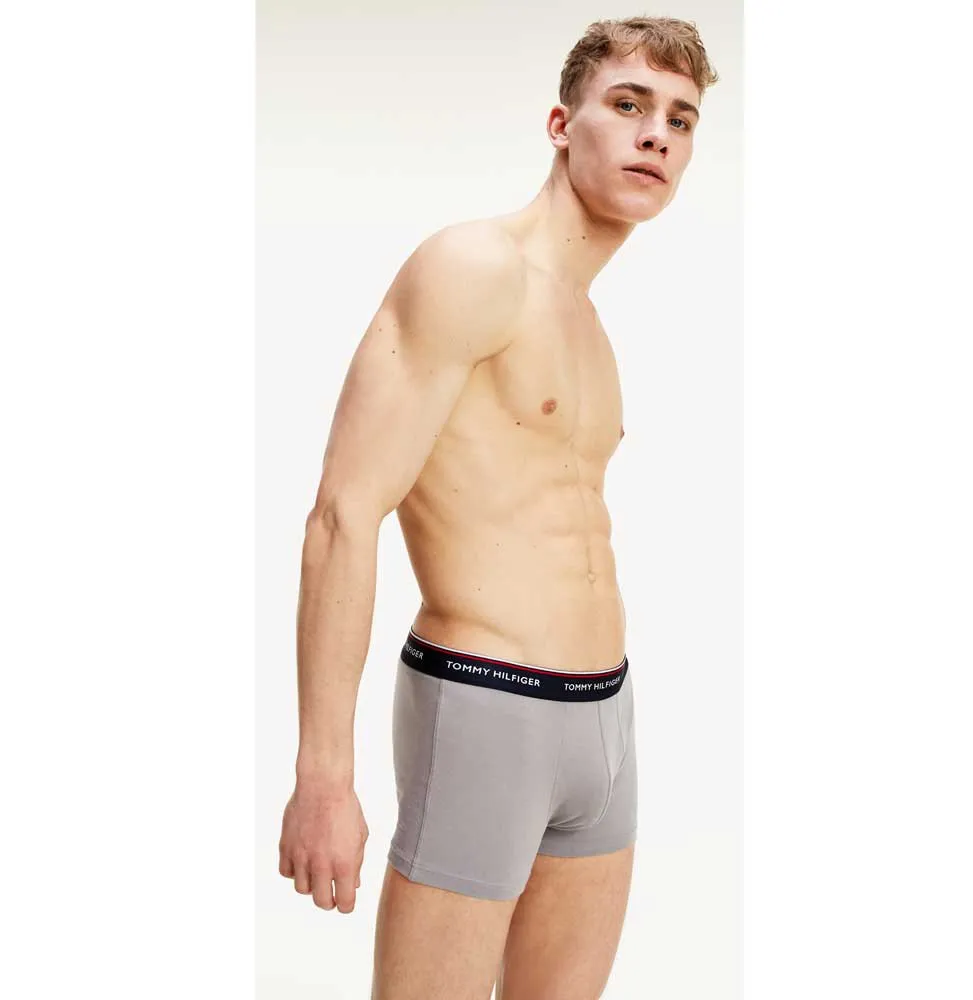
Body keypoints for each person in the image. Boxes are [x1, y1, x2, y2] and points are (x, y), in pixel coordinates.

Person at [278, 15, 718, 999]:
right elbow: (343, 512)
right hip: (485, 704)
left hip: (605, 719)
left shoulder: (587, 320)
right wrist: (324, 774)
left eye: (680, 119)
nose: (656, 134)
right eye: (629, 104)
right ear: (562, 124)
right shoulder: (472, 268)